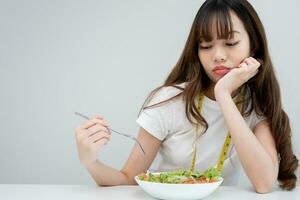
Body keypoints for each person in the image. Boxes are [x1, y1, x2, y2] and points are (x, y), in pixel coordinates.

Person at [74, 0, 298, 193]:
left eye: (231, 43)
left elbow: (264, 183)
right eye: (206, 45)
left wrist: (223, 95)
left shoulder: (256, 106)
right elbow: (127, 180)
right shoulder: (170, 101)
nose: (218, 56)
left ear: (254, 45)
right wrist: (90, 162)